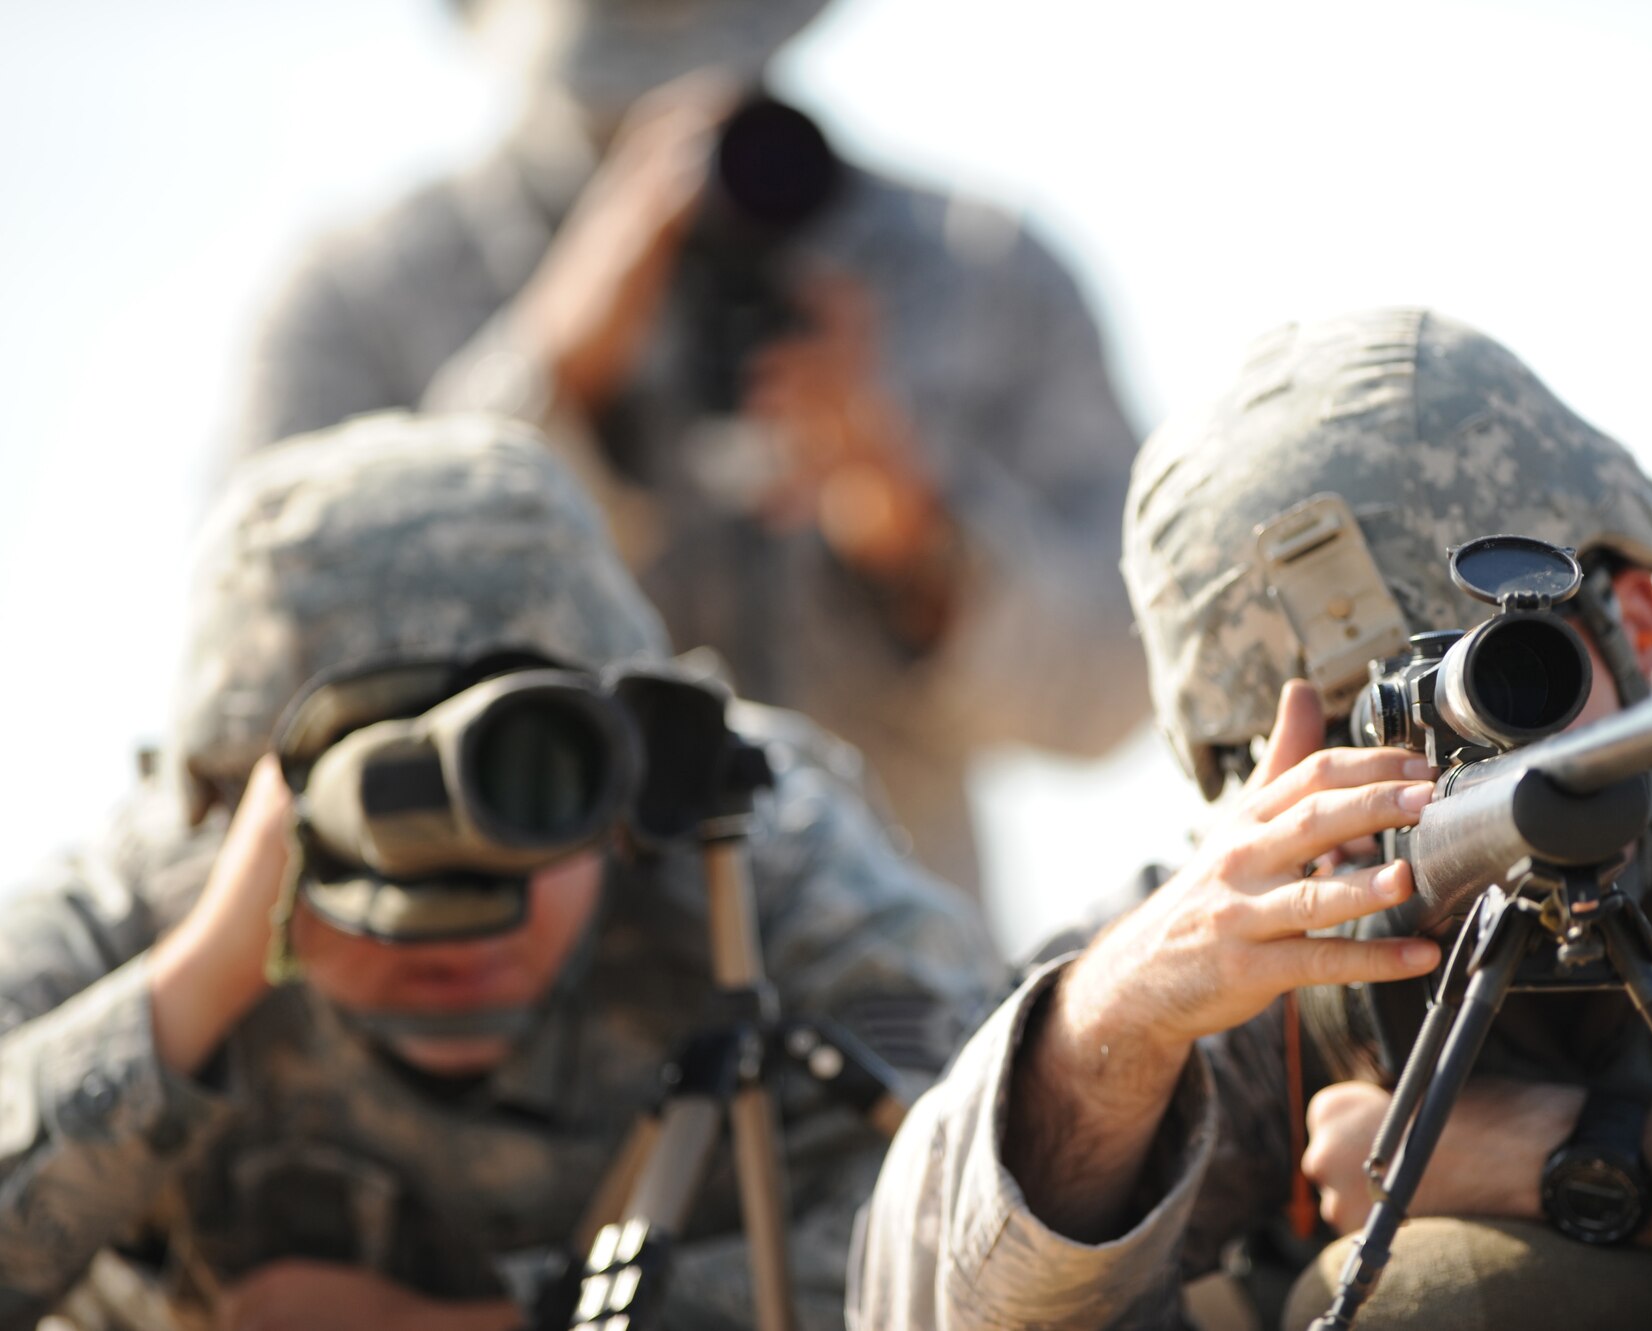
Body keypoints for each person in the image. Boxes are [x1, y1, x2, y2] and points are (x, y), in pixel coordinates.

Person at [850, 308, 1652, 1330]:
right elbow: (915, 1301)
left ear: (1638, 623)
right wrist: (1119, 1019)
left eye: (1504, 688)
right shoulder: (1275, 916)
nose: (1439, 785)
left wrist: (1570, 1157)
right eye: (1355, 751)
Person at [0, 412, 1003, 1331]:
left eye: (528, 785)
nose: (465, 916)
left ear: (631, 774)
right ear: (231, 805)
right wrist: (198, 981)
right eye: (390, 819)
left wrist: (514, 1324)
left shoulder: (750, 861)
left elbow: (997, 1228)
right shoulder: (140, 908)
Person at [227, 0, 1148, 895]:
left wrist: (914, 531)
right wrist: (551, 387)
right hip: (500, 1020)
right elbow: (265, 694)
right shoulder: (357, 302)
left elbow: (1118, 685)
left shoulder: (978, 270)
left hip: (894, 1017)